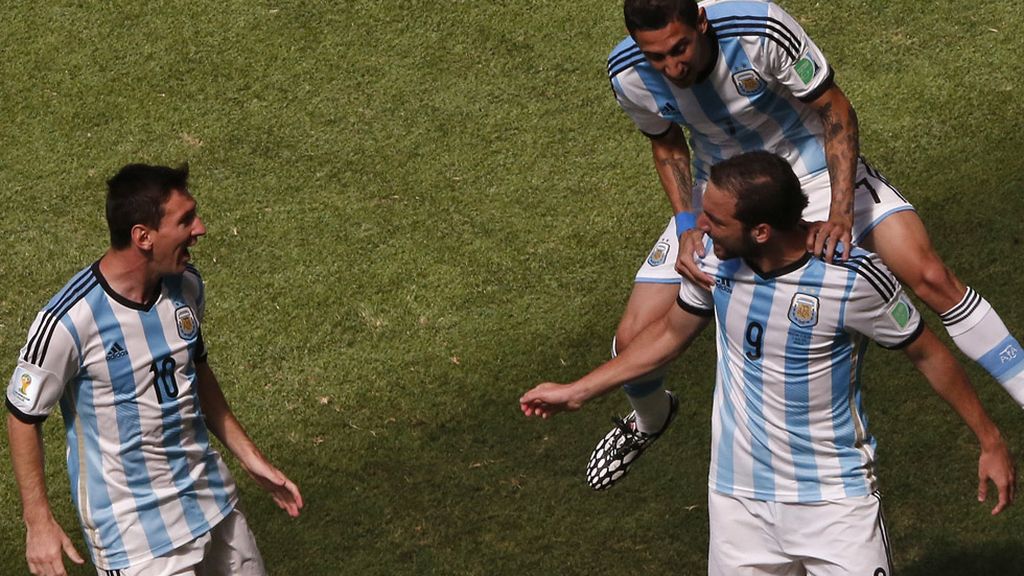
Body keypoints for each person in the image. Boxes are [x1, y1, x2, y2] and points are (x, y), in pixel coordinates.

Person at [594, 0, 1024, 489]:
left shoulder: (761, 30)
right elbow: (667, 142)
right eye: (657, 57)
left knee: (929, 275)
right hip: (724, 199)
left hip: (814, 171)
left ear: (700, 23)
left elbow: (834, 109)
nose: (673, 67)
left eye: (679, 49)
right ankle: (649, 422)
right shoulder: (628, 74)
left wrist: (841, 212)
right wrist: (689, 221)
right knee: (632, 339)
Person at [521, 151, 1016, 575]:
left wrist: (989, 439)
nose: (698, 228)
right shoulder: (711, 258)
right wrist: (578, 390)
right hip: (738, 502)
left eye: (713, 220)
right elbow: (669, 335)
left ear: (760, 230)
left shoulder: (852, 277)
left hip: (834, 503)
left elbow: (927, 353)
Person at [6, 164, 303, 576]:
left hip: (211, 500)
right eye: (185, 220)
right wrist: (38, 522)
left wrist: (252, 458)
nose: (199, 228)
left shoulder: (187, 286)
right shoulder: (68, 321)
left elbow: (195, 371)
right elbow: (22, 417)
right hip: (136, 539)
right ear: (143, 237)